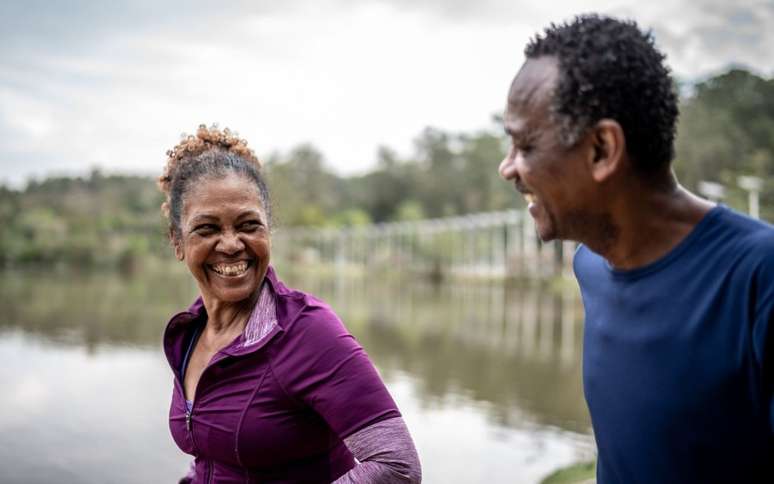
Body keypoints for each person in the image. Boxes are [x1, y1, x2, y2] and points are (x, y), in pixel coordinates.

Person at [498, 15, 773, 484]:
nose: (508, 168)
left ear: (603, 149)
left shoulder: (758, 276)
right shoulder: (590, 265)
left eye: (525, 146)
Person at [158, 125, 421, 483]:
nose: (232, 243)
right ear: (177, 241)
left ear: (268, 231)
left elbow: (397, 465)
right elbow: (209, 454)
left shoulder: (307, 331)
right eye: (207, 229)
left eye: (249, 225)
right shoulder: (188, 335)